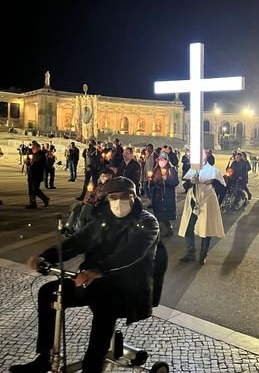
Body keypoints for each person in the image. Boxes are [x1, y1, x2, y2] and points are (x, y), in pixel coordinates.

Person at [9, 177, 166, 373]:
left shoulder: (147, 222)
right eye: (113, 197)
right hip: (96, 281)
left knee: (105, 308)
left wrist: (98, 270)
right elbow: (77, 241)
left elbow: (132, 253)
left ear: (134, 197)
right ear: (107, 199)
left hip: (129, 287)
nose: (118, 201)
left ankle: (92, 366)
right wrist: (45, 257)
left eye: (124, 196)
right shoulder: (104, 219)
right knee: (49, 292)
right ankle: (45, 357)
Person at [178, 157, 225, 265]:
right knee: (189, 227)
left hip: (207, 202)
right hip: (193, 202)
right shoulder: (192, 169)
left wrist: (213, 181)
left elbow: (222, 188)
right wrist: (191, 181)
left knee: (206, 228)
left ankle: (203, 255)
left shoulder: (213, 170)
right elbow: (184, 186)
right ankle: (190, 253)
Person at [149, 152, 179, 237]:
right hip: (157, 194)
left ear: (166, 161)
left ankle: (166, 229)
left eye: (162, 160)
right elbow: (153, 182)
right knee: (158, 212)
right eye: (159, 160)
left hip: (166, 195)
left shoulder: (171, 170)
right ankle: (159, 229)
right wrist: (151, 180)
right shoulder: (156, 169)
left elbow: (175, 182)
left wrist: (166, 180)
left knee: (165, 214)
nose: (160, 162)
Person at [25, 142, 50, 209]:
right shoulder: (34, 154)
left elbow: (38, 165)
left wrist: (31, 164)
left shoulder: (41, 155)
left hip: (37, 175)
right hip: (31, 174)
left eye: (34, 148)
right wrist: (28, 162)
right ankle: (32, 203)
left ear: (38, 148)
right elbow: (31, 162)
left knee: (35, 189)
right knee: (31, 189)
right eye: (32, 148)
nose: (32, 149)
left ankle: (45, 198)